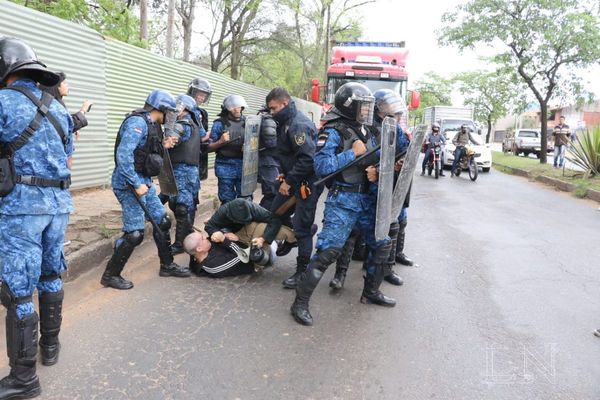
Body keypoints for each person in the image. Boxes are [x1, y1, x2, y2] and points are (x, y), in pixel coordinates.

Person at [0, 37, 75, 399]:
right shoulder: (59, 109)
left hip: (21, 209)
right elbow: (68, 159)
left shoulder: (2, 102)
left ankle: (24, 379)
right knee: (49, 274)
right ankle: (50, 347)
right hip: (58, 206)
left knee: (17, 291)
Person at [290, 82, 396, 327]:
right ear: (350, 106)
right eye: (363, 106)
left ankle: (370, 292)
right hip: (344, 199)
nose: (367, 111)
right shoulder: (333, 131)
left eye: (369, 107)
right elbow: (321, 167)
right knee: (329, 251)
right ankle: (300, 302)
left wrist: (378, 170)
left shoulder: (367, 130)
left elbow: (378, 157)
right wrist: (353, 154)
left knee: (382, 243)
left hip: (367, 199)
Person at [100, 89, 190, 290]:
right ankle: (110, 275)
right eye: (169, 111)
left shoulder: (152, 124)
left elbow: (146, 152)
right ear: (161, 109)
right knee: (135, 234)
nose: (171, 115)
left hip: (144, 181)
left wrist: (164, 145)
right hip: (128, 183)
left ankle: (167, 265)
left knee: (162, 221)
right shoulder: (137, 123)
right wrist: (135, 183)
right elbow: (123, 157)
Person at [329, 88, 410, 290]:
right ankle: (340, 274)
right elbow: (361, 158)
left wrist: (396, 164)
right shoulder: (366, 126)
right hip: (364, 187)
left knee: (389, 230)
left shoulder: (394, 127)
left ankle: (384, 272)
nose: (391, 113)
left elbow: (405, 150)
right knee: (353, 232)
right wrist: (379, 168)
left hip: (384, 187)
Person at [265, 87, 321, 289]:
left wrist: (289, 181)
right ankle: (292, 238)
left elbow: (307, 160)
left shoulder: (298, 125)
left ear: (285, 103)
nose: (272, 113)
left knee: (303, 228)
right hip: (293, 178)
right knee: (276, 212)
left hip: (306, 183)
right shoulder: (285, 122)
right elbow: (288, 154)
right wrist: (284, 173)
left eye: (274, 108)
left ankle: (302, 273)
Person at [184, 199, 296, 277]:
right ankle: (288, 239)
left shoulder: (200, 250)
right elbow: (244, 257)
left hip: (241, 238)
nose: (206, 237)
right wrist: (224, 240)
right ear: (199, 249)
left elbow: (210, 232)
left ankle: (296, 236)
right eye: (202, 239)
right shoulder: (213, 266)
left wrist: (222, 233)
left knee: (262, 226)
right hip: (253, 255)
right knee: (264, 230)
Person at [167, 94, 207, 254]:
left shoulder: (182, 125)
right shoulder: (196, 123)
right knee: (184, 205)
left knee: (182, 207)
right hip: (189, 171)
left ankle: (179, 244)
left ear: (184, 108)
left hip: (182, 171)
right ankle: (189, 235)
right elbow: (205, 137)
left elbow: (171, 140)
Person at [208, 94, 248, 204]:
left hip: (244, 166)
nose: (237, 109)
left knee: (245, 198)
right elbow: (208, 147)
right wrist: (220, 142)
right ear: (228, 108)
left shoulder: (248, 123)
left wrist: (249, 148)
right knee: (226, 199)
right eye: (234, 107)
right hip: (225, 166)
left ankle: (243, 220)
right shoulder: (219, 124)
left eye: (239, 106)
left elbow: (257, 142)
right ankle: (228, 220)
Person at [38, 71, 93, 139]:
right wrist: (83, 110)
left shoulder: (48, 102)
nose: (67, 85)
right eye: (64, 83)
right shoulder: (53, 105)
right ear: (56, 87)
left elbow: (64, 122)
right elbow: (68, 125)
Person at [257, 108, 280, 210]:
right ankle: (263, 217)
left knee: (273, 193)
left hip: (272, 160)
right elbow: (270, 142)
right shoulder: (268, 120)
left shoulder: (272, 119)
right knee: (271, 192)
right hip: (268, 161)